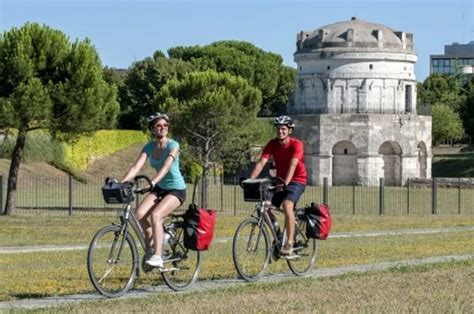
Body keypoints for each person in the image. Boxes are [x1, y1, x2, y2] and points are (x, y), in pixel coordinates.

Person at [121, 112, 186, 268]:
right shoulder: (149, 147)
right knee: (139, 215)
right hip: (159, 188)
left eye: (165, 125)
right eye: (158, 126)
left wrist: (152, 182)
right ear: (152, 129)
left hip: (176, 189)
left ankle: (158, 256)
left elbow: (166, 166)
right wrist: (122, 182)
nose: (162, 128)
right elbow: (136, 166)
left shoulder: (173, 145)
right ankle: (154, 244)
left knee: (156, 215)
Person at [249, 115, 307, 256]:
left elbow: (293, 164)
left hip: (297, 180)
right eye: (278, 129)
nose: (280, 131)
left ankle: (290, 243)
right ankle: (279, 236)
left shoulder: (296, 144)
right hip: (280, 180)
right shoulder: (272, 144)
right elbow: (262, 162)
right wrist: (250, 181)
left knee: (287, 205)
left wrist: (285, 183)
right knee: (265, 207)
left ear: (289, 130)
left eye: (283, 129)